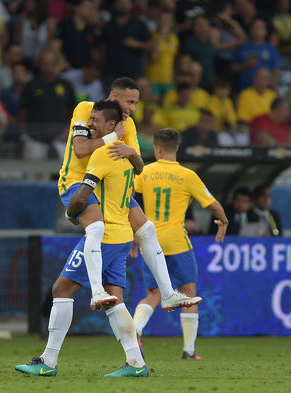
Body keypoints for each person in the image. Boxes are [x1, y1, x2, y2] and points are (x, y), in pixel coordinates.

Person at [16, 100, 148, 377]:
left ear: (111, 126)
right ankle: (136, 363)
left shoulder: (101, 154)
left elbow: (82, 196)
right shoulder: (125, 154)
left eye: (96, 120)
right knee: (117, 300)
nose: (90, 123)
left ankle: (48, 362)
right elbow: (139, 170)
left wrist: (71, 213)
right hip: (122, 234)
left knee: (61, 290)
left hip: (104, 238)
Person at [58, 77, 201, 312]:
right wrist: (114, 138)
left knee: (147, 229)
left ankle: (167, 294)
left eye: (136, 103)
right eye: (130, 102)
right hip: (77, 183)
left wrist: (132, 153)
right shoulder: (86, 109)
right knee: (96, 228)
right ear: (114, 97)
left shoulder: (129, 124)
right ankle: (96, 292)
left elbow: (137, 165)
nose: (133, 109)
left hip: (111, 188)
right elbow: (81, 149)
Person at [132, 128, 228, 360]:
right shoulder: (187, 176)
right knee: (188, 292)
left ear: (156, 148)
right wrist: (223, 221)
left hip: (150, 239)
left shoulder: (144, 172)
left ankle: (134, 330)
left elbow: (128, 200)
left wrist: (133, 234)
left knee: (153, 293)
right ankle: (189, 350)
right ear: (176, 148)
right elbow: (213, 205)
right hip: (177, 241)